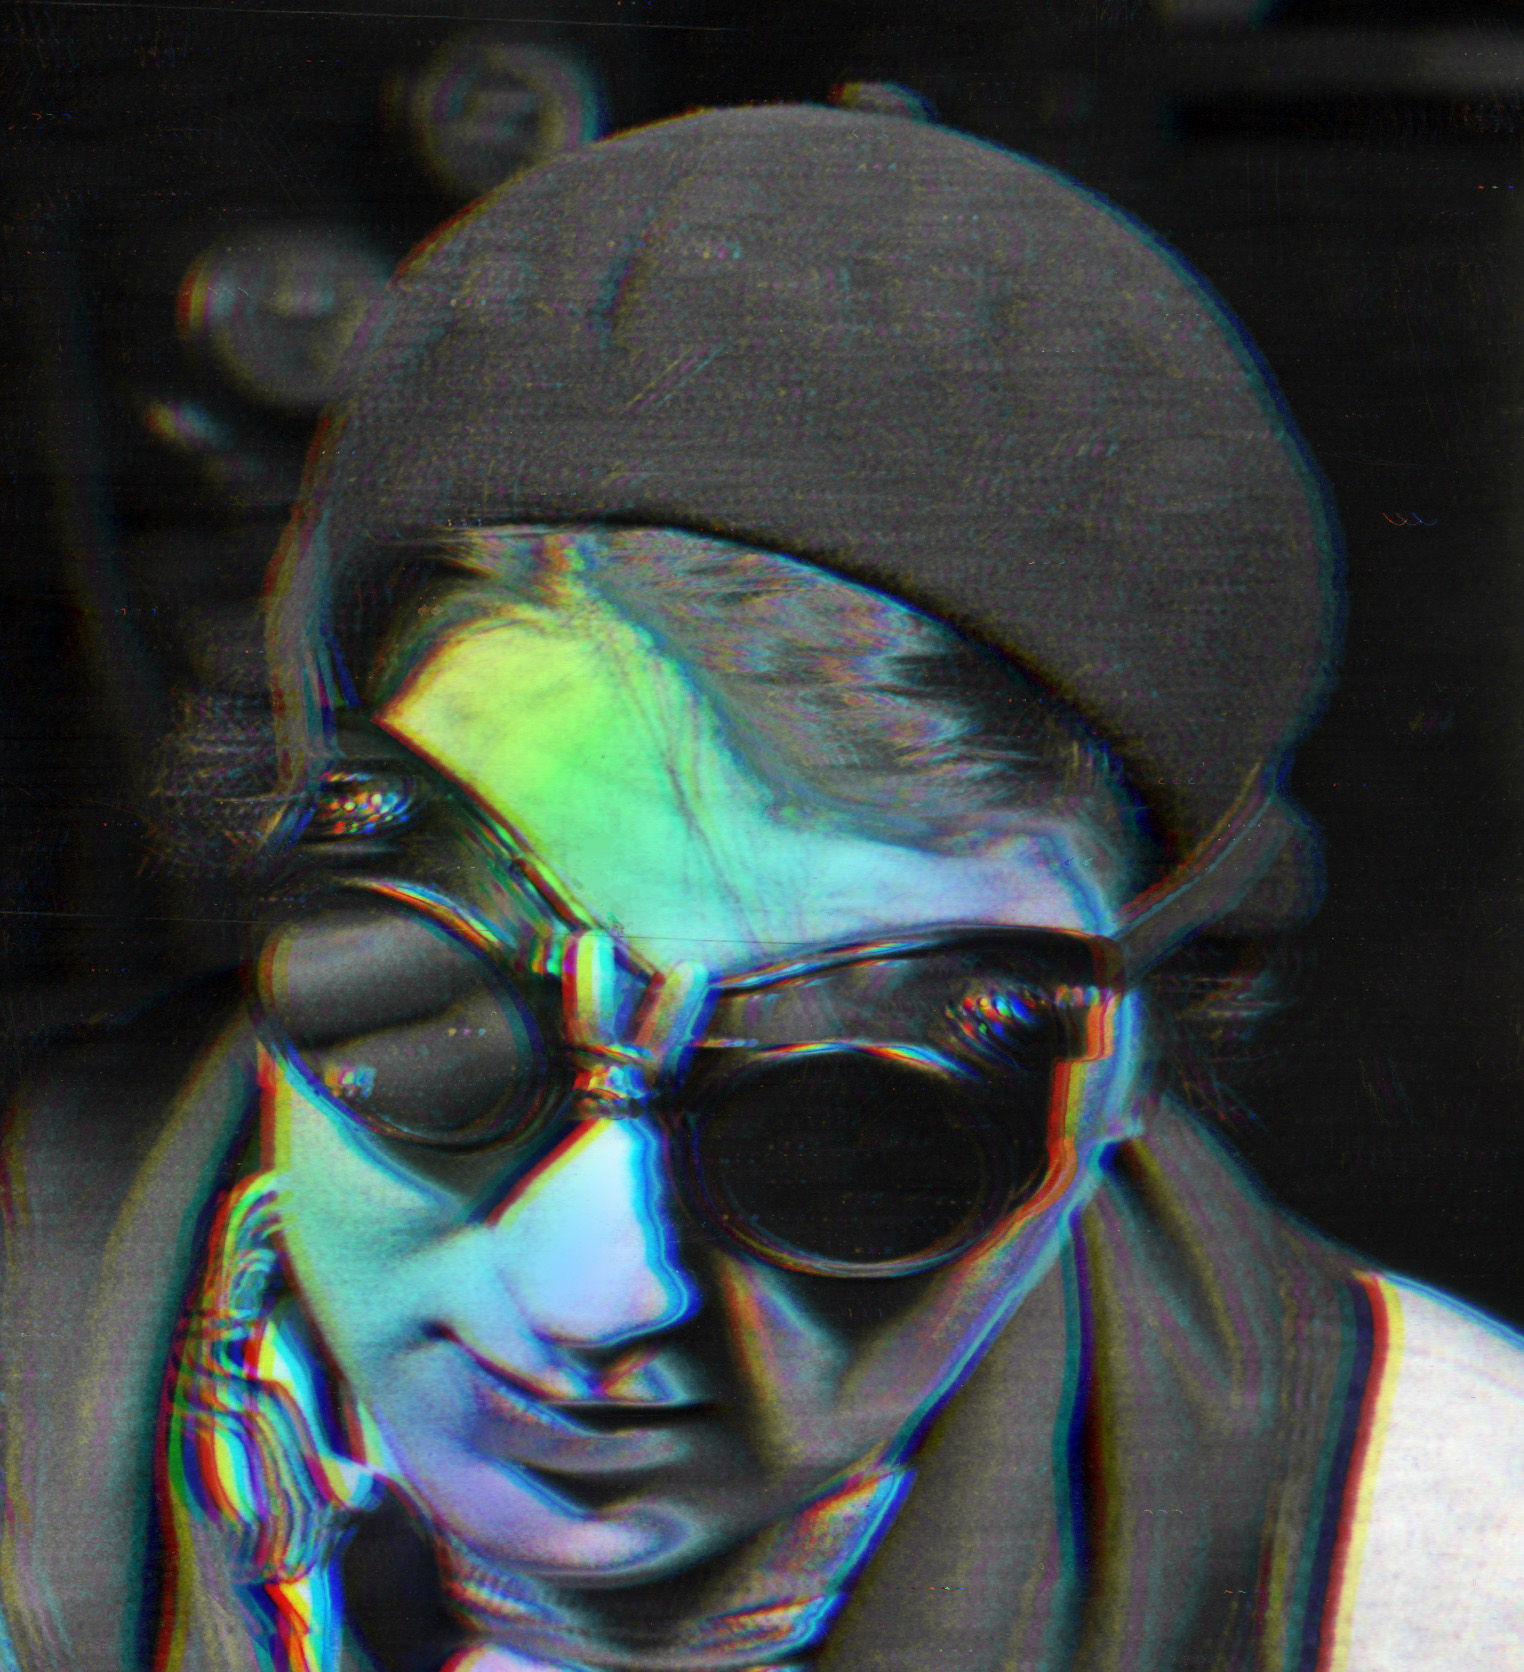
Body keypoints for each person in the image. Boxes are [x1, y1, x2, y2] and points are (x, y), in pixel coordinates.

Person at [5, 104, 1523, 1672]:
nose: (600, 1291)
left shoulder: (1442, 1572)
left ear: (1131, 1074)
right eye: (440, 1016)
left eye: (854, 1141)